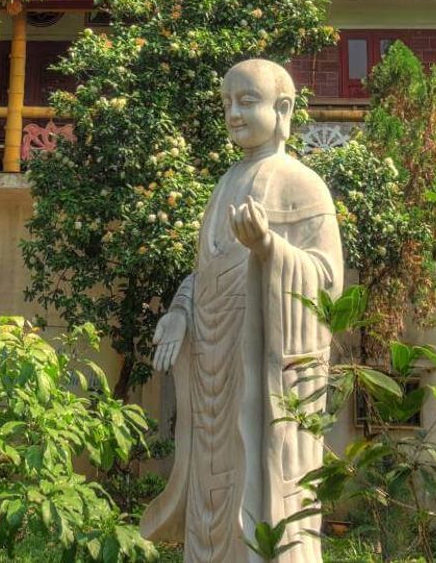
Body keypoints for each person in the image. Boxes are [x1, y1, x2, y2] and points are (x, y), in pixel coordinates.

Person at [142, 59, 343, 563]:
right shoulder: (225, 184)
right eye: (227, 103)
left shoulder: (302, 184)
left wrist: (271, 250)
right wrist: (180, 310)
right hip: (215, 370)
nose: (233, 113)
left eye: (246, 101)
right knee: (214, 490)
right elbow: (207, 274)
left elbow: (325, 282)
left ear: (284, 108)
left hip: (263, 385)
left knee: (258, 496)